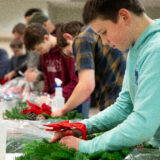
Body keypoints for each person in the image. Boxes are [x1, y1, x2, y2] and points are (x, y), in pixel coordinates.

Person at [49, 0, 160, 154]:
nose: (104, 42)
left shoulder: (156, 49)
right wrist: (82, 127)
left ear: (123, 16)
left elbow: (143, 123)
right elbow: (124, 106)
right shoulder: (136, 48)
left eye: (103, 32)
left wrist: (85, 146)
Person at [52, 19, 125, 118]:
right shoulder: (98, 31)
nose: (75, 58)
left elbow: (86, 86)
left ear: (67, 36)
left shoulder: (81, 39)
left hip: (116, 104)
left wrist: (63, 110)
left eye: (71, 53)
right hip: (127, 100)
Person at [24, 23, 78, 103]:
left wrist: (53, 96)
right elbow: (47, 81)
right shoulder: (45, 52)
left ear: (46, 38)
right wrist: (44, 96)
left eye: (39, 49)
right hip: (57, 100)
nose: (39, 53)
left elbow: (75, 81)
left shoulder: (65, 49)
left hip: (75, 100)